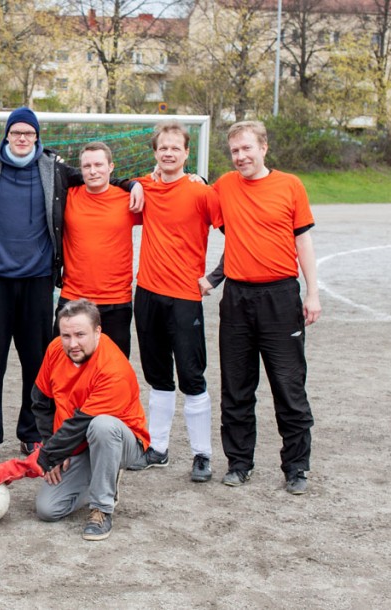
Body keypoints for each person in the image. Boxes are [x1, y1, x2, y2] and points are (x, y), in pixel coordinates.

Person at [0, 107, 143, 463]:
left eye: (28, 133)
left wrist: (134, 183)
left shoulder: (54, 169)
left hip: (38, 281)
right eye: (15, 132)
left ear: (37, 136)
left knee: (38, 362)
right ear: (6, 135)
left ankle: (30, 434)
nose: (21, 138)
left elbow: (98, 176)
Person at [0, 299, 148, 541]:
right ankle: (101, 475)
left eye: (80, 334)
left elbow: (81, 424)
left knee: (102, 426)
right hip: (75, 441)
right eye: (66, 335)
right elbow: (40, 402)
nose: (73, 343)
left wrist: (43, 458)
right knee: (48, 509)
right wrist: (54, 448)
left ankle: (102, 507)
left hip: (122, 442)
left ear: (97, 332)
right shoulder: (56, 349)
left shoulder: (113, 370)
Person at [212, 120, 321, 495]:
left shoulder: (290, 185)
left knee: (288, 385)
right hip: (238, 299)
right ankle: (239, 463)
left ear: (263, 148)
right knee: (237, 387)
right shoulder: (224, 187)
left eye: (247, 149)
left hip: (280, 297)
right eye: (235, 151)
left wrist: (312, 293)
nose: (241, 156)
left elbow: (303, 243)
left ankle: (296, 467)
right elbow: (198, 210)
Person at [126, 121, 223, 483]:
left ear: (186, 152)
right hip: (147, 294)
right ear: (155, 153)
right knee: (157, 377)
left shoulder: (202, 193)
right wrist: (136, 183)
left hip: (185, 297)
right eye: (162, 147)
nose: (168, 153)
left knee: (192, 376)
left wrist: (215, 276)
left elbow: (237, 233)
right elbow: (120, 187)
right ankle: (159, 449)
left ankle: (202, 454)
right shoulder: (145, 186)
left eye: (175, 147)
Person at [57, 141, 140, 357]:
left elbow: (164, 189)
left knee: (114, 369)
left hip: (116, 301)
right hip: (73, 298)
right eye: (87, 166)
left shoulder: (129, 198)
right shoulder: (67, 196)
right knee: (66, 368)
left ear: (111, 167)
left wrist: (197, 178)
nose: (93, 171)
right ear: (80, 169)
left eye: (99, 165)